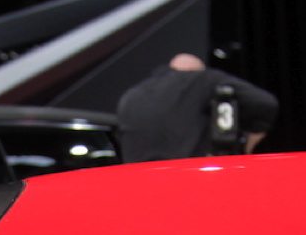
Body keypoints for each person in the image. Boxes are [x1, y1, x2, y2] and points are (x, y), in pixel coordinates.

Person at [116, 53, 279, 162]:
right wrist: (252, 138)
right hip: (186, 177)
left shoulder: (131, 94)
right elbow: (266, 103)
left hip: (139, 182)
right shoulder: (204, 79)